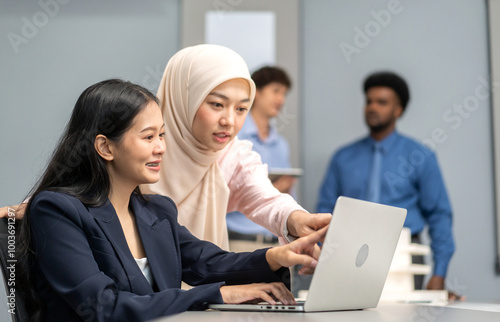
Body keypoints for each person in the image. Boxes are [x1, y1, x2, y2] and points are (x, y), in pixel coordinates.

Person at [19, 79, 327, 321]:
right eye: (148, 137)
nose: (161, 148)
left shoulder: (156, 210)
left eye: (162, 135)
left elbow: (208, 263)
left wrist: (278, 256)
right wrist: (219, 295)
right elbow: (104, 307)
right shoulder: (56, 210)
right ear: (105, 147)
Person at [140, 44, 331, 251]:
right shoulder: (138, 153)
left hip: (205, 280)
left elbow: (265, 198)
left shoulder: (232, 156)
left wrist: (297, 219)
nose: (230, 121)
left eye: (241, 109)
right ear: (183, 98)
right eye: (217, 105)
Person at [316, 71, 463, 300]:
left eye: (382, 102)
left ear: (398, 110)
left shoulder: (420, 156)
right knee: (349, 313)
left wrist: (439, 272)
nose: (373, 107)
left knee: (401, 315)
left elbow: (439, 215)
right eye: (369, 101)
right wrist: (321, 260)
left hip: (404, 251)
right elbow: (324, 211)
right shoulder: (342, 158)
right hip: (349, 251)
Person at [226, 66, 296, 250]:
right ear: (256, 92)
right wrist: (272, 189)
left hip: (277, 244)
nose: (281, 99)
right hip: (240, 242)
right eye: (275, 91)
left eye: (284, 93)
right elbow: (221, 190)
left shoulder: (281, 144)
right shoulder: (233, 135)